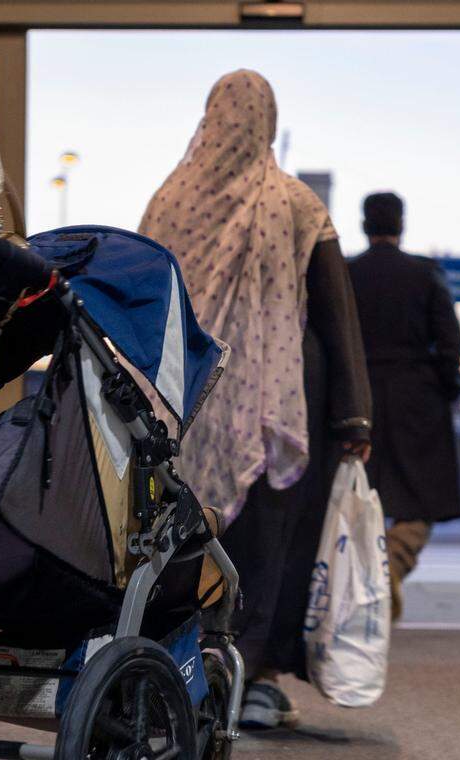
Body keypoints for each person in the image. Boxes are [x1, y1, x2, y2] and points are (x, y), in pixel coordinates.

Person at [140, 70, 373, 730]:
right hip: (273, 407)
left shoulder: (168, 200)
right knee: (269, 539)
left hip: (181, 402)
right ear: (266, 121)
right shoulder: (295, 203)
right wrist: (355, 416)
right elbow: (335, 313)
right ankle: (253, 675)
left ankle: (170, 663)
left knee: (178, 535)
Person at [347, 192, 460, 620]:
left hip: (358, 398)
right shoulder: (425, 274)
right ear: (402, 224)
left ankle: (368, 577)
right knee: (421, 499)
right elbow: (450, 342)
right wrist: (446, 389)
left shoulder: (345, 274)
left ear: (364, 225)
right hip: (416, 397)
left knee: (357, 495)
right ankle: (393, 563)